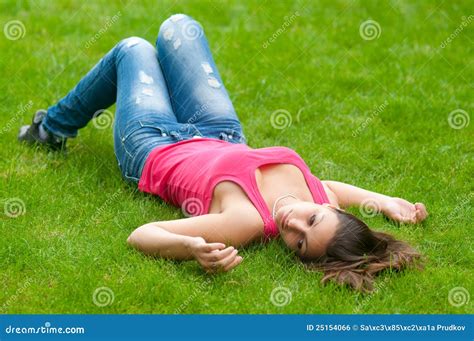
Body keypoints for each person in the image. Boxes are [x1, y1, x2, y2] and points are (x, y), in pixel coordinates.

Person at [18, 14, 428, 292]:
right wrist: (384, 201)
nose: (293, 222)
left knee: (134, 49)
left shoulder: (247, 221)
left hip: (154, 146)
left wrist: (191, 247)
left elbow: (139, 235)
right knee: (180, 26)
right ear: (333, 210)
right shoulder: (321, 196)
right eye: (313, 219)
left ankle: (50, 129)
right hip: (219, 132)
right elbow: (332, 185)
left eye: (299, 243)